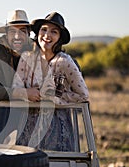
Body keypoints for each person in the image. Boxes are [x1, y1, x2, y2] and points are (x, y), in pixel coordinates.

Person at [12, 12, 89, 151]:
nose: (47, 35)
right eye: (44, 30)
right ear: (38, 33)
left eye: (54, 32)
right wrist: (26, 93)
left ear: (59, 38)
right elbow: (15, 88)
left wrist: (54, 97)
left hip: (57, 128)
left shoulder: (64, 62)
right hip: (27, 126)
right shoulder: (26, 58)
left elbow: (83, 95)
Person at [0, 9, 34, 143]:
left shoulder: (38, 52)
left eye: (22, 31)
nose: (17, 36)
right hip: (0, 117)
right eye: (12, 31)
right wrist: (23, 93)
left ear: (28, 34)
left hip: (31, 115)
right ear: (6, 34)